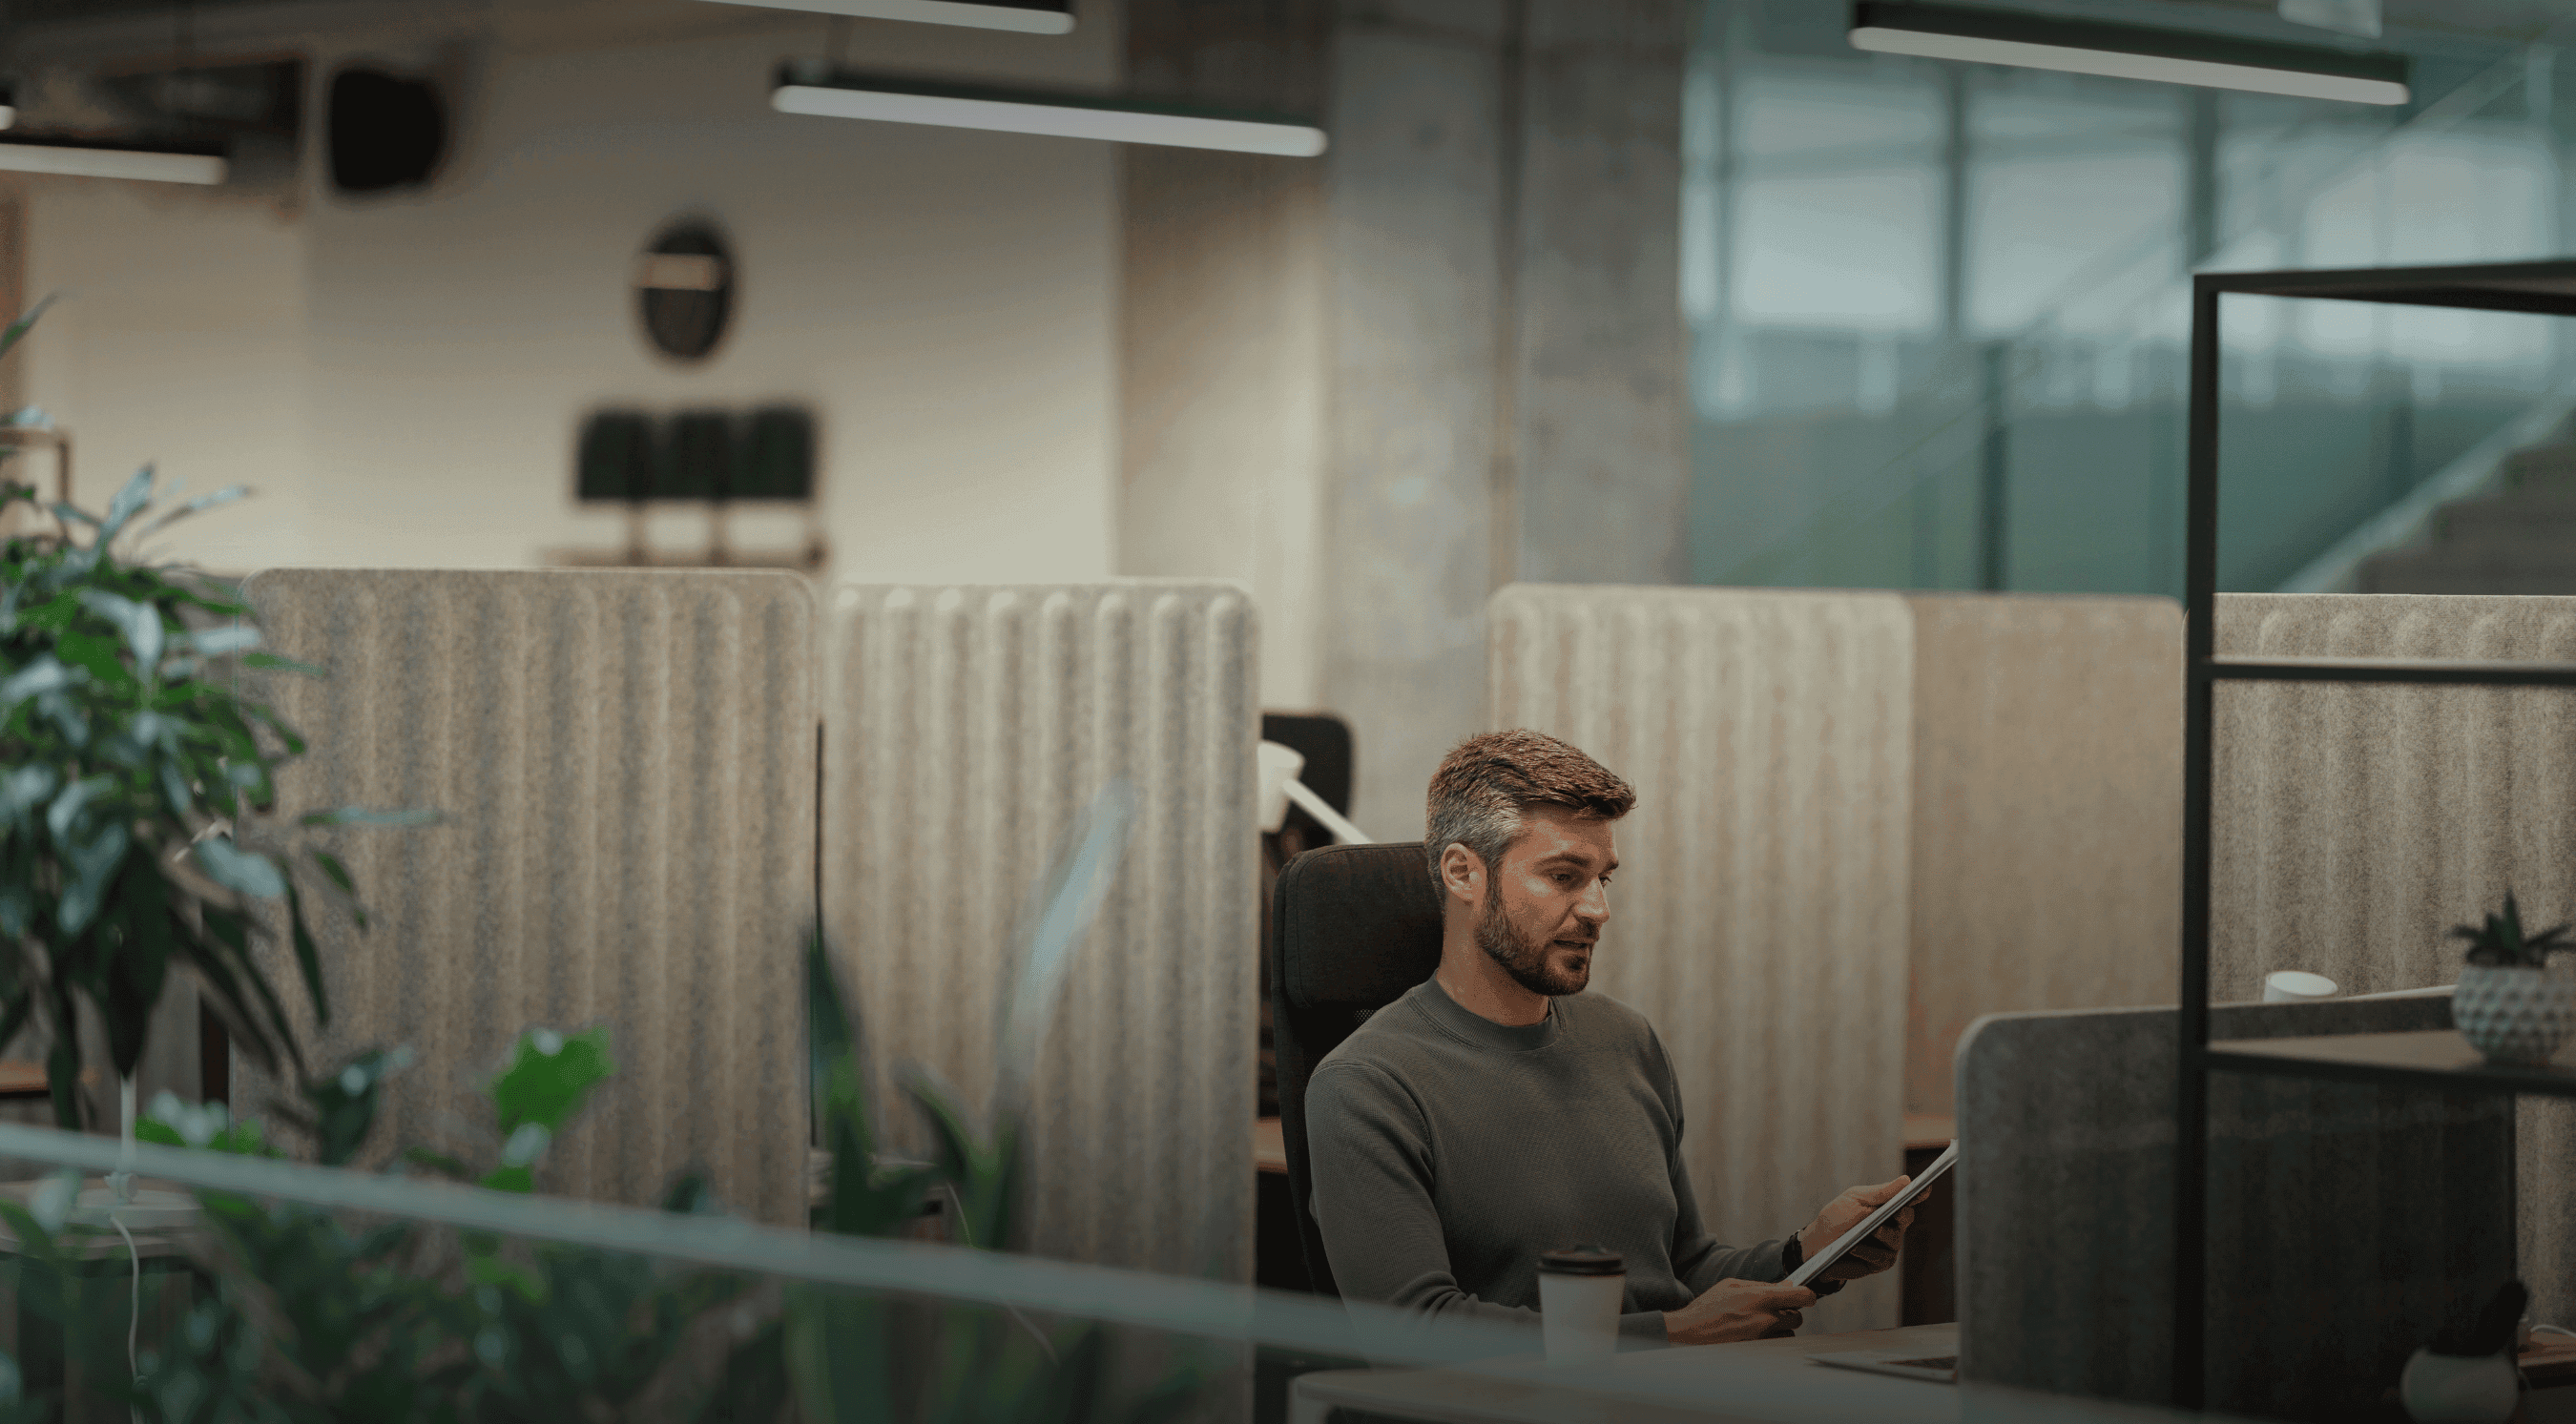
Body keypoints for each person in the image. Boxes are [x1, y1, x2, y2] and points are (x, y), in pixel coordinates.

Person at [1303, 729, 1915, 1345]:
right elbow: (1415, 1333)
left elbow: (1681, 1270)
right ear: (1464, 873)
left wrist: (1805, 1250)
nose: (1598, 908)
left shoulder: (1627, 1040)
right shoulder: (1365, 1085)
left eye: (1605, 878)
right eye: (1565, 876)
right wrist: (1670, 1334)